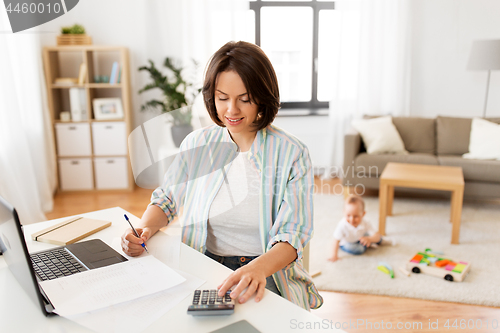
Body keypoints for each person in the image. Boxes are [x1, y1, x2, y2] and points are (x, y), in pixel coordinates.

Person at [121, 41, 323, 310]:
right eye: (223, 98)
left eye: (245, 99)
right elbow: (167, 200)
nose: (232, 111)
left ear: (263, 96)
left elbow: (293, 233)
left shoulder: (291, 153)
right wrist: (144, 229)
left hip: (265, 271)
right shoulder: (197, 144)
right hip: (202, 263)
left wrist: (256, 270)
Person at [328, 194, 394, 262]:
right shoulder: (342, 225)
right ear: (344, 212)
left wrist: (369, 239)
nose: (352, 219)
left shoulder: (366, 222)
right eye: (348, 215)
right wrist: (334, 255)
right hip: (348, 242)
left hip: (361, 237)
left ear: (363, 214)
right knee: (359, 249)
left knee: (378, 237)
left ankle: (375, 242)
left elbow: (376, 235)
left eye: (356, 216)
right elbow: (336, 240)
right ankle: (367, 244)